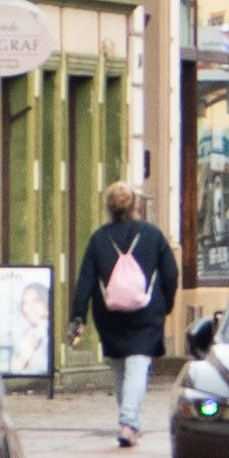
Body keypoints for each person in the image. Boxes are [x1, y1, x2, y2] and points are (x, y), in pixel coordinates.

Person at [75, 185, 184, 436]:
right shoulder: (153, 235)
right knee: (137, 365)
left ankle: (127, 419)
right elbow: (170, 273)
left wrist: (78, 315)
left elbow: (86, 280)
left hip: (109, 315)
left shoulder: (99, 238)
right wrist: (166, 304)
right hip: (147, 313)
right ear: (135, 204)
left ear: (108, 207)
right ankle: (128, 422)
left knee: (120, 368)